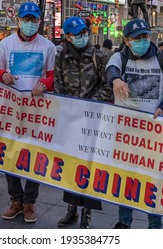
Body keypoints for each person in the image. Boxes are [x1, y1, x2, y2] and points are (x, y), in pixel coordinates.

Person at [105, 18, 163, 229]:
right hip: (125, 132)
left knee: (152, 179)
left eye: (145, 36)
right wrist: (116, 80)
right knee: (125, 177)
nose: (142, 41)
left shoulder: (162, 59)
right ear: (127, 41)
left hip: (153, 132)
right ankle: (124, 221)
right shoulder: (119, 58)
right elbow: (110, 71)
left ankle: (154, 224)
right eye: (137, 38)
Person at [0, 2, 55, 223]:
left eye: (33, 19)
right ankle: (15, 200)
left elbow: (54, 76)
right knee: (10, 154)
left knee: (34, 156)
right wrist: (2, 75)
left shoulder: (48, 47)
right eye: (26, 19)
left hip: (37, 112)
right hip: (11, 109)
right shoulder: (6, 44)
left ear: (39, 21)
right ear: (18, 20)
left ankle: (29, 203)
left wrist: (44, 84)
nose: (29, 24)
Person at [55, 17, 113, 229]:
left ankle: (86, 215)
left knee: (89, 166)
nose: (81, 37)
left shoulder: (98, 56)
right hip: (70, 119)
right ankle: (71, 210)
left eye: (84, 33)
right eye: (76, 34)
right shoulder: (62, 56)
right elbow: (58, 85)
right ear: (68, 36)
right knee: (70, 165)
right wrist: (67, 108)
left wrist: (89, 104)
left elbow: (107, 86)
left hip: (93, 119)